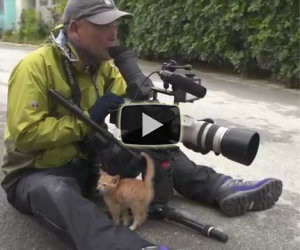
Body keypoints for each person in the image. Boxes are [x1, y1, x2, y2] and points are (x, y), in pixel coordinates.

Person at [0, 0, 282, 250]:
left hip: (89, 163)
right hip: (35, 172)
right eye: (103, 26)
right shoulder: (34, 67)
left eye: (115, 25)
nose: (113, 34)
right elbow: (25, 135)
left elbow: (132, 114)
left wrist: (174, 125)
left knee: (152, 145)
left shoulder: (107, 67)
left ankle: (219, 187)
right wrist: (86, 119)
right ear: (75, 29)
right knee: (57, 193)